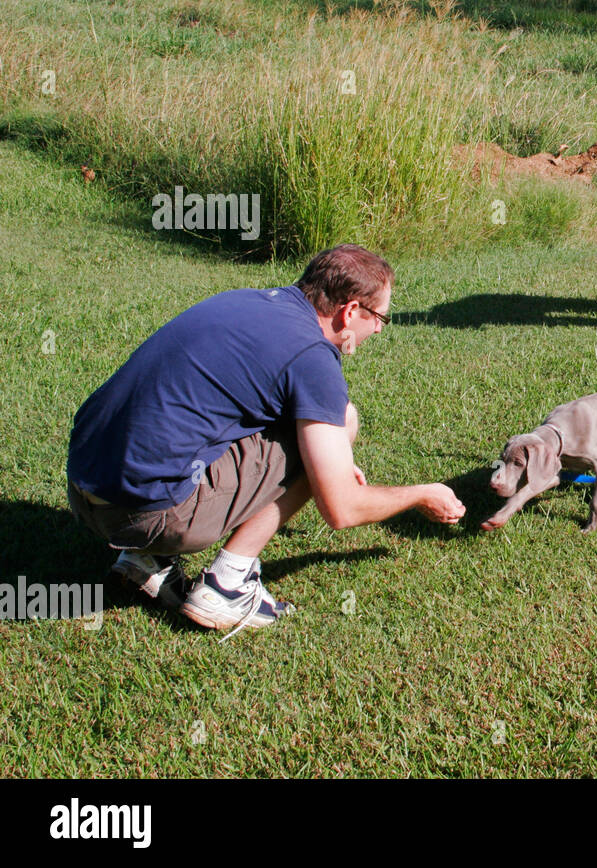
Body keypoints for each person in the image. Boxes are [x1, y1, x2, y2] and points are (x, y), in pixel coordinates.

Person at [66, 244, 465, 635]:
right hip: (145, 512)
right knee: (342, 422)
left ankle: (145, 558)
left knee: (303, 435)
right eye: (379, 316)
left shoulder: (248, 301)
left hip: (84, 489)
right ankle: (227, 585)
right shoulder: (313, 357)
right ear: (350, 311)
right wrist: (421, 493)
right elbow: (342, 510)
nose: (379, 327)